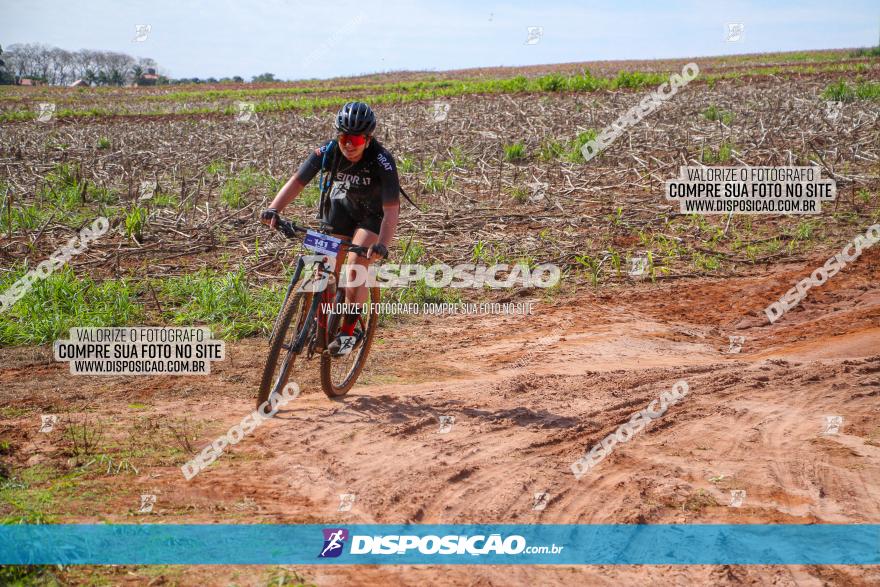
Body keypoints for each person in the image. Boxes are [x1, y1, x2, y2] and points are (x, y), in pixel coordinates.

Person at [260, 102, 400, 356]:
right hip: (341, 210)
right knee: (326, 266)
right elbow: (297, 181)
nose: (349, 144)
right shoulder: (327, 151)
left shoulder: (382, 160)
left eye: (355, 138)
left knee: (357, 263)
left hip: (371, 216)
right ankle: (319, 318)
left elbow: (391, 209)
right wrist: (274, 209)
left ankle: (349, 332)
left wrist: (383, 244)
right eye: (344, 137)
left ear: (368, 139)